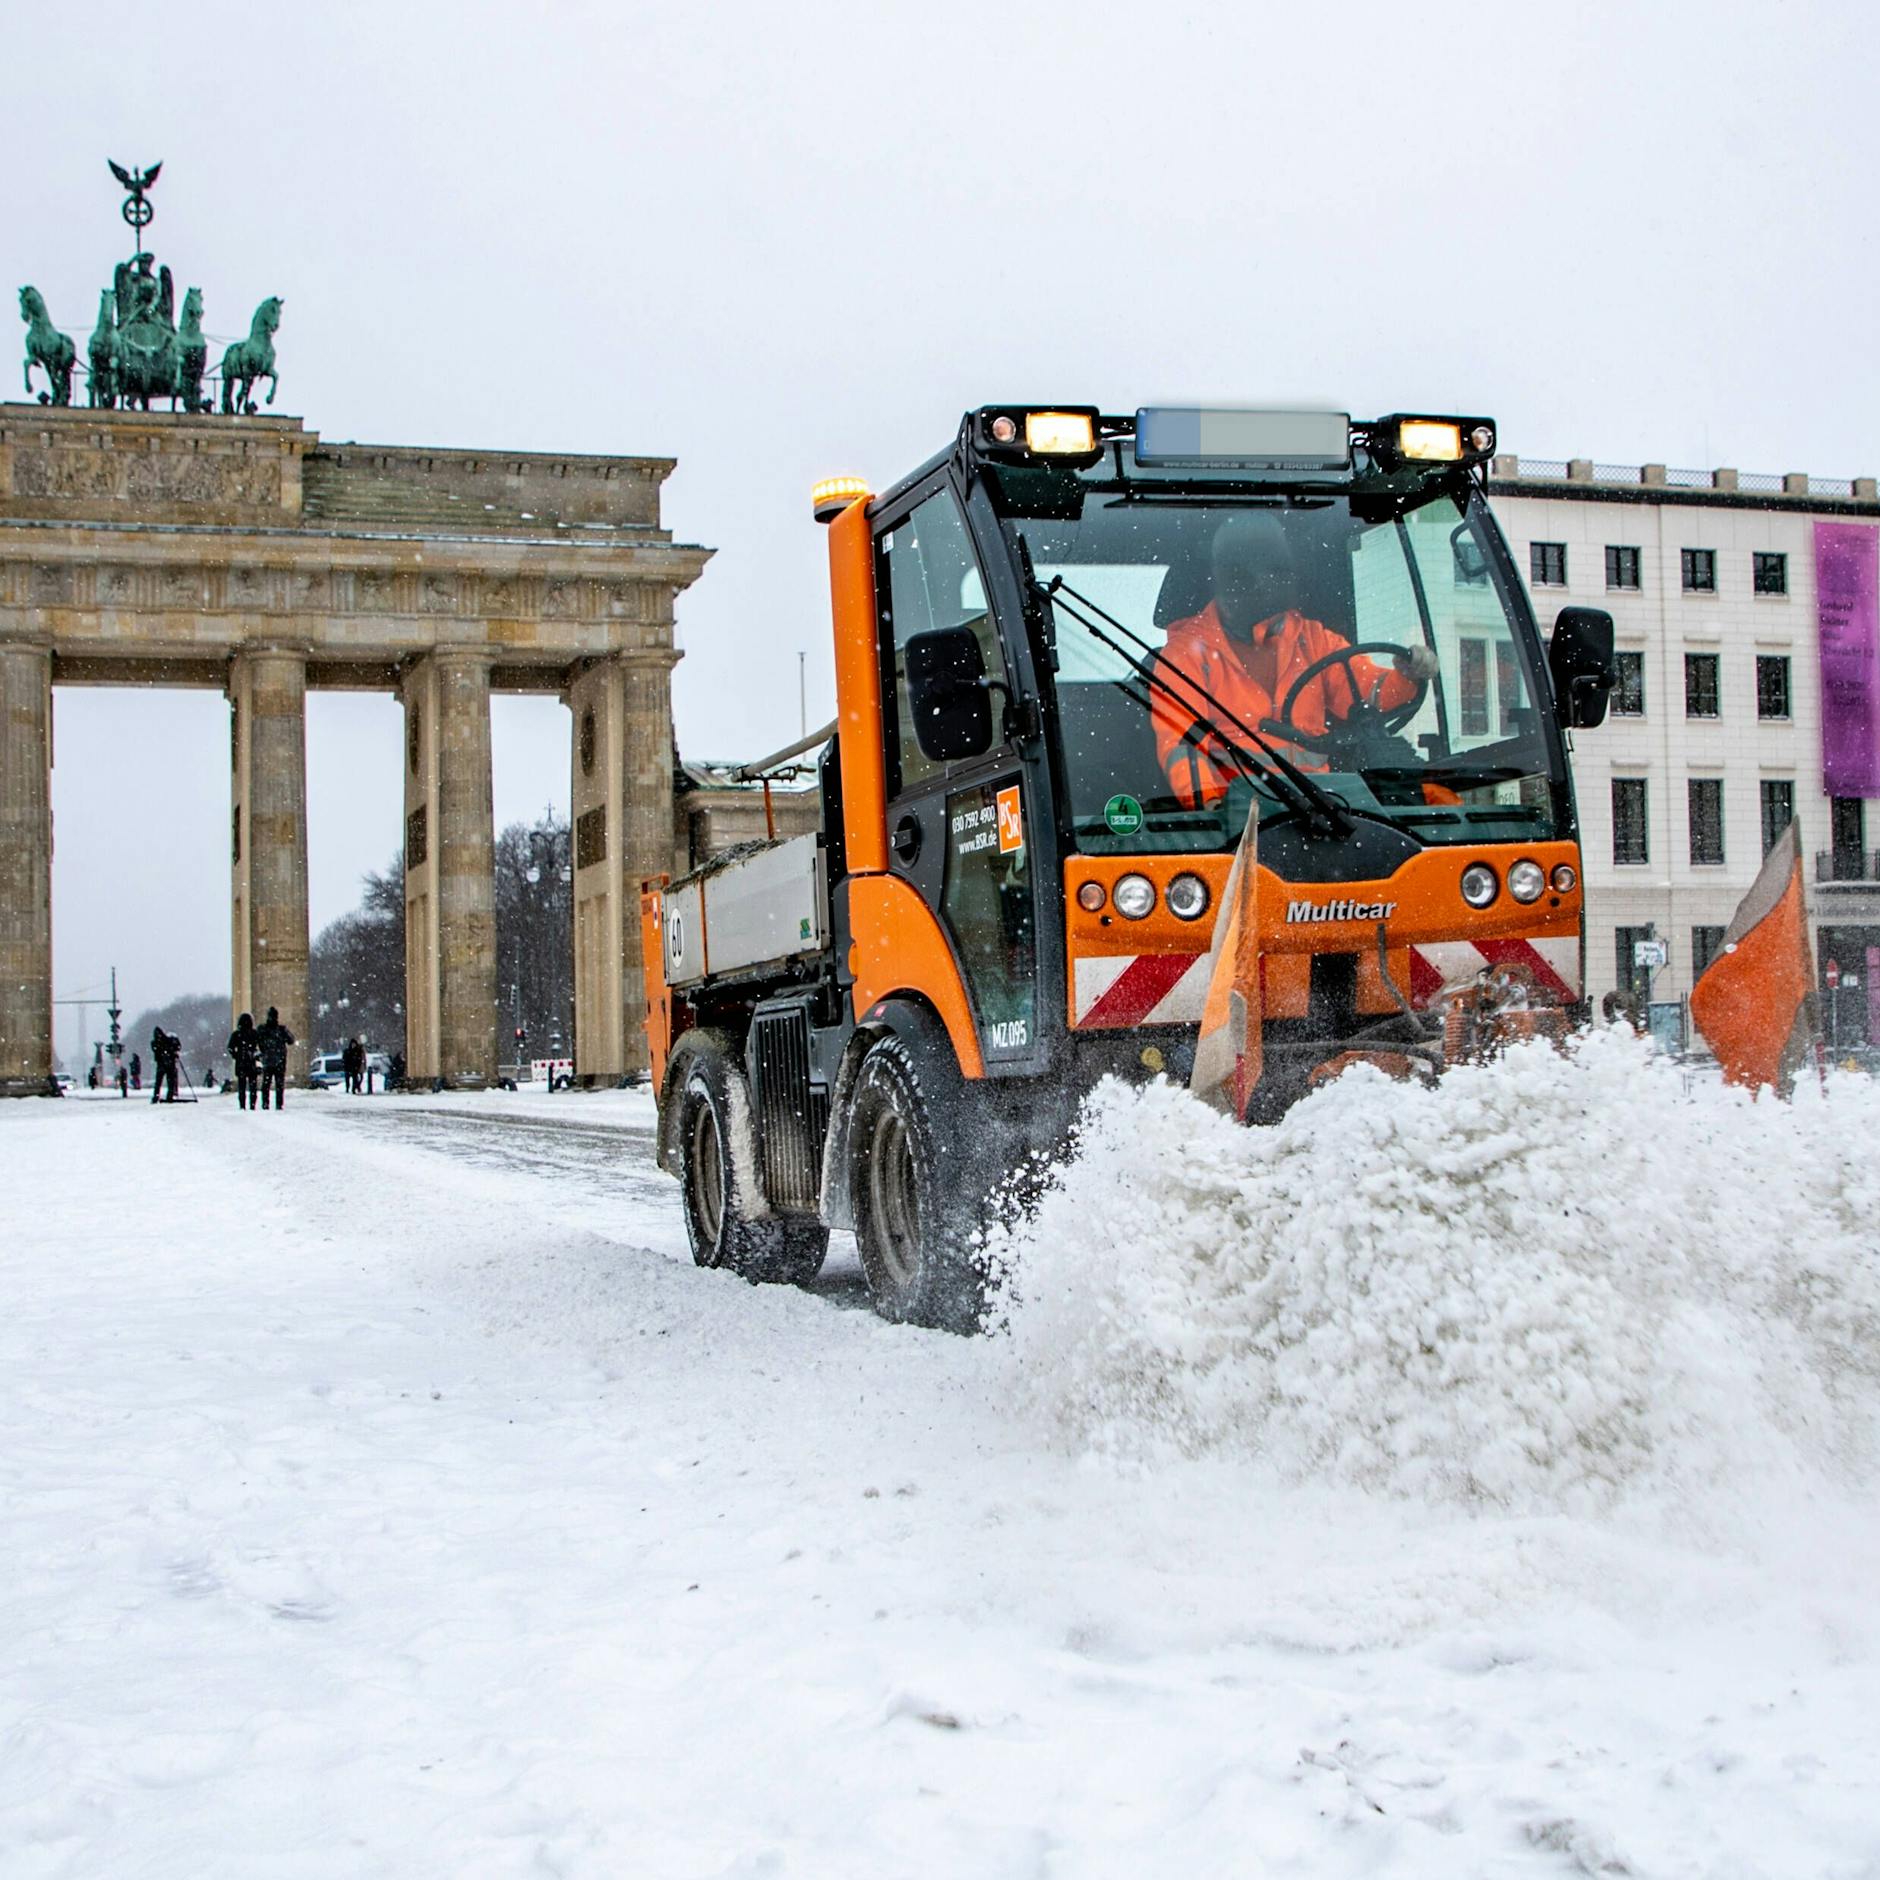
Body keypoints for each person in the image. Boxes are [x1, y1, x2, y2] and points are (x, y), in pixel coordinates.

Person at [1150, 515, 1440, 808]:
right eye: (1275, 571)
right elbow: (1182, 746)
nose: (1285, 583)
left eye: (1284, 572)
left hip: (1323, 811)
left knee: (1440, 804)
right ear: (1234, 576)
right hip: (1239, 816)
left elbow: (1367, 694)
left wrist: (1405, 676)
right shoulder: (1185, 656)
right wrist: (1213, 810)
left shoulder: (1312, 639)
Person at [256, 1006, 295, 1111]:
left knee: (266, 1084)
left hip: (268, 1060)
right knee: (279, 1084)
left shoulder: (262, 1029)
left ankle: (265, 1104)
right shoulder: (281, 1030)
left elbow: (256, 1040)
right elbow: (291, 1040)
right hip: (279, 1060)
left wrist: (262, 1050)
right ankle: (278, 1104)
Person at [227, 1011, 262, 1112]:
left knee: (242, 1086)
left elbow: (230, 1047)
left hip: (241, 1062)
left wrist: (236, 1055)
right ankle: (252, 1105)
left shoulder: (236, 1034)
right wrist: (257, 1056)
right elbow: (261, 1047)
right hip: (252, 1062)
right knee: (253, 1086)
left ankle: (242, 1105)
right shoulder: (254, 1033)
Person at [149, 1026, 180, 1104]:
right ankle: (169, 1096)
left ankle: (156, 1096)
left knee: (159, 1082)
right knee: (170, 1081)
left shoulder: (154, 1043)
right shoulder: (168, 1040)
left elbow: (156, 1050)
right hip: (169, 1064)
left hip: (161, 1064)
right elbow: (176, 1047)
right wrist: (173, 1051)